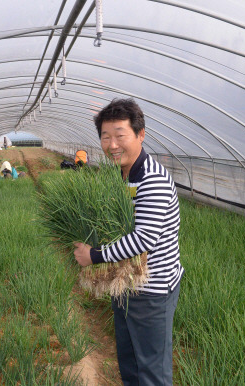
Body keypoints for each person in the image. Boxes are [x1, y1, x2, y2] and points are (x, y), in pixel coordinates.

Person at [73, 98, 183, 385]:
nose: (112, 144)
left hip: (151, 291)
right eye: (106, 137)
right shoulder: (120, 176)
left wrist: (94, 255)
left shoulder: (152, 179)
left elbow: (144, 238)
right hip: (125, 284)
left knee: (152, 372)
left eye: (120, 135)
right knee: (130, 364)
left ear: (140, 134)